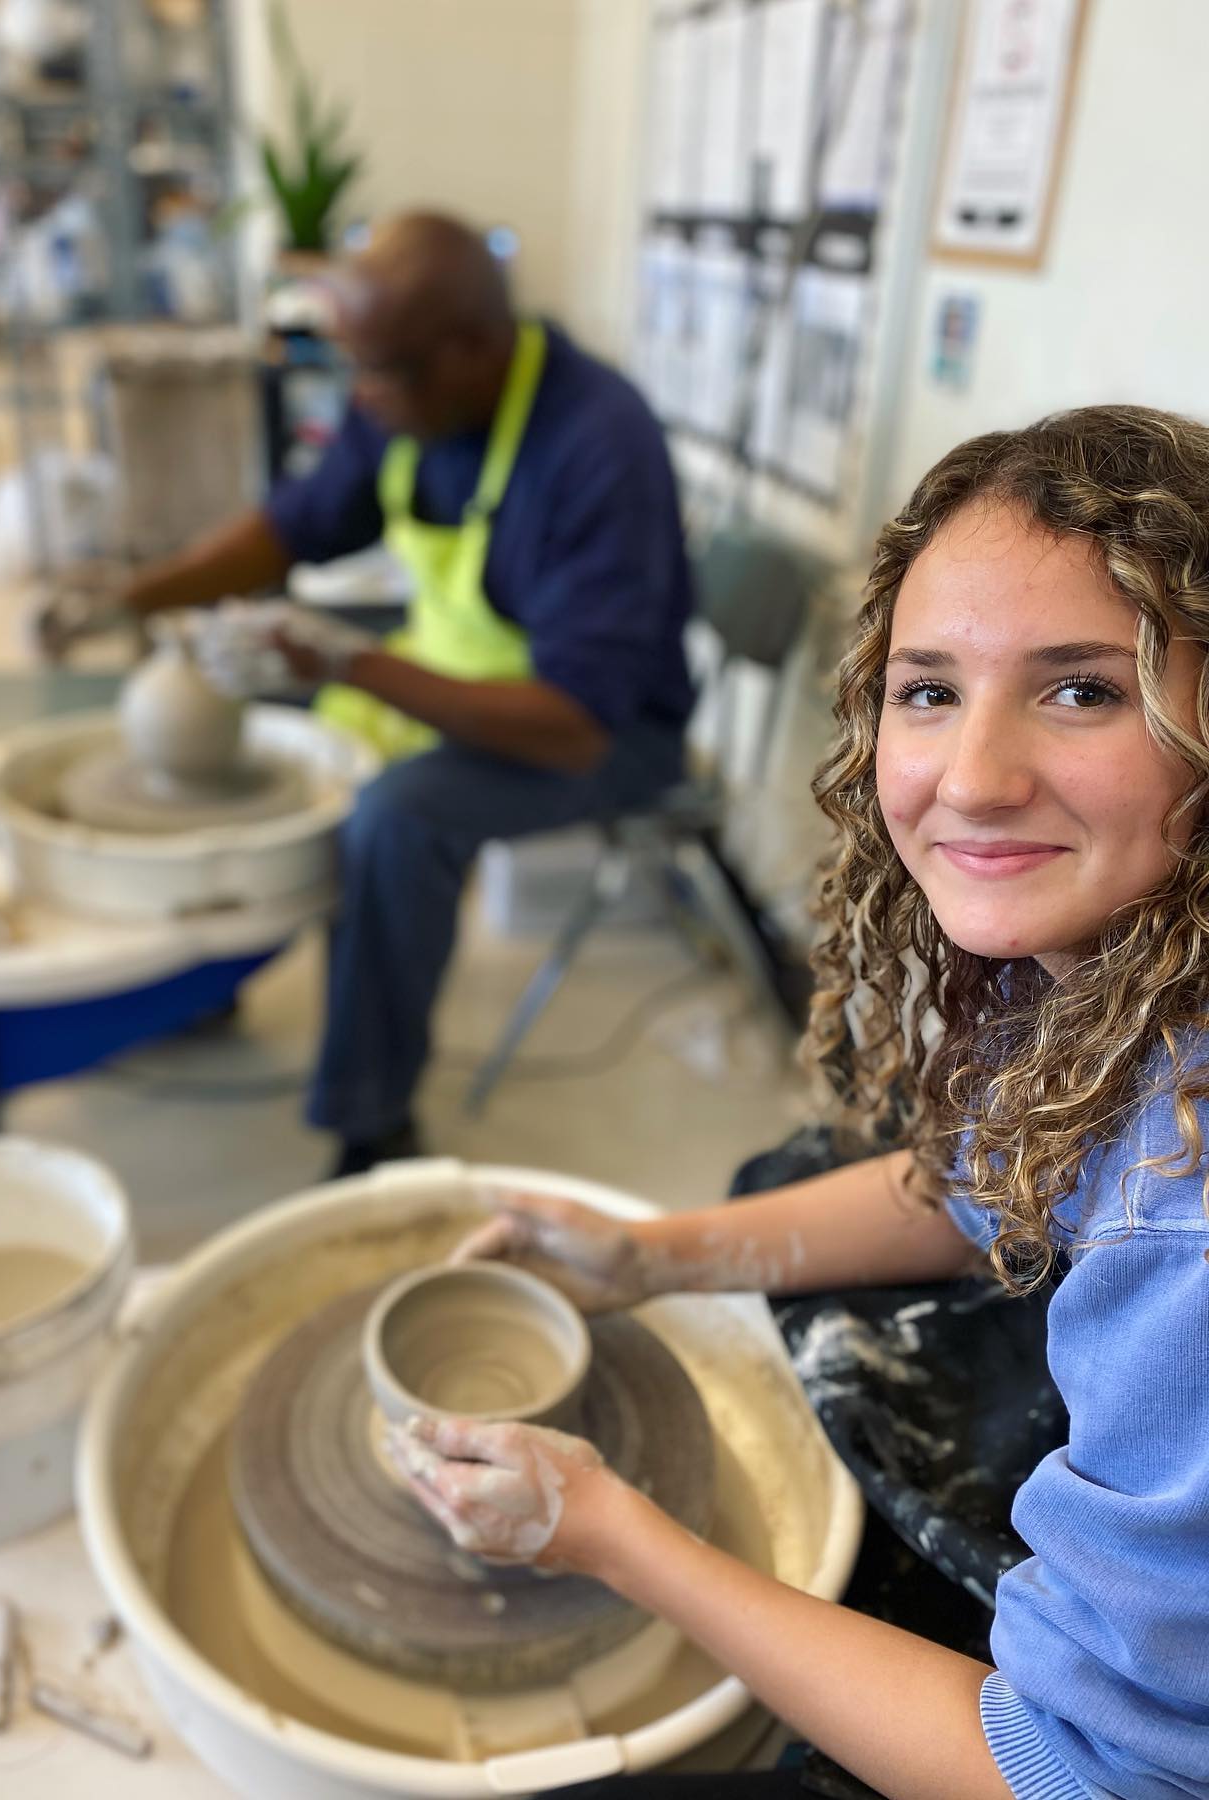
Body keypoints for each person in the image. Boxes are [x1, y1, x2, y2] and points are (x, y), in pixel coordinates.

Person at [387, 405, 1209, 1799]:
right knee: (777, 1180)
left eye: (1084, 689)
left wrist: (607, 1531)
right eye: (929, 688)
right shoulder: (1114, 953)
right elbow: (986, 1186)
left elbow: (1073, 1781)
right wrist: (650, 1256)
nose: (973, 779)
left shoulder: (1182, 1222)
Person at [37, 212, 694, 1177]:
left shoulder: (599, 446)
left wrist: (348, 662)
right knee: (224, 704)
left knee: (397, 818)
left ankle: (371, 1119)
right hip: (452, 672)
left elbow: (572, 722)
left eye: (380, 373)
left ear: (472, 346)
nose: (363, 398)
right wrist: (132, 591)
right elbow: (295, 526)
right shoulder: (403, 389)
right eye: (354, 369)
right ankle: (205, 982)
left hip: (602, 731)